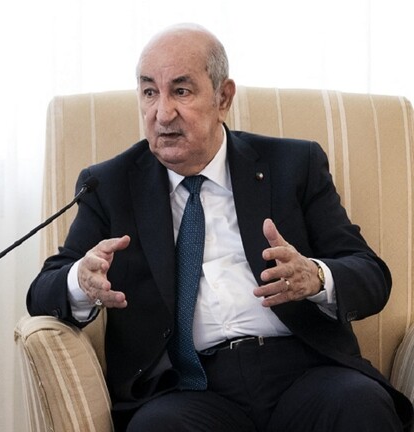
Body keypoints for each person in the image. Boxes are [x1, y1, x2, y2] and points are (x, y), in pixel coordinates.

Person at [26, 23, 413, 432]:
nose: (162, 113)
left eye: (181, 91)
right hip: (189, 389)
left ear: (223, 97)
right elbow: (43, 290)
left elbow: (370, 275)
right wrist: (80, 282)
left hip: (307, 372)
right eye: (149, 92)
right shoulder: (110, 185)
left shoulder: (293, 165)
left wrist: (316, 277)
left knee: (360, 405)